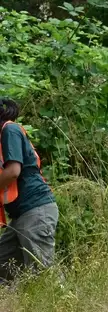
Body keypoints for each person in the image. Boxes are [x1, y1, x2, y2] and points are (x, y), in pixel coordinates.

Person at [0, 98, 59, 281]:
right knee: (3, 265)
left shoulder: (10, 130)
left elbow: (13, 172)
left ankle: (67, 308)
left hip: (35, 210)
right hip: (21, 216)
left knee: (43, 275)